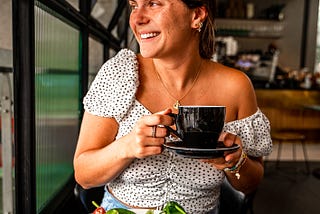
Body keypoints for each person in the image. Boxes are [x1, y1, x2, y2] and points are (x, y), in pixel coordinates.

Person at [73, 0, 273, 213]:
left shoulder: (236, 86)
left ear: (196, 15)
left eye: (154, 3)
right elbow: (84, 177)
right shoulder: (120, 73)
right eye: (134, 6)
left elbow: (250, 183)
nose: (137, 19)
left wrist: (236, 162)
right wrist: (127, 146)